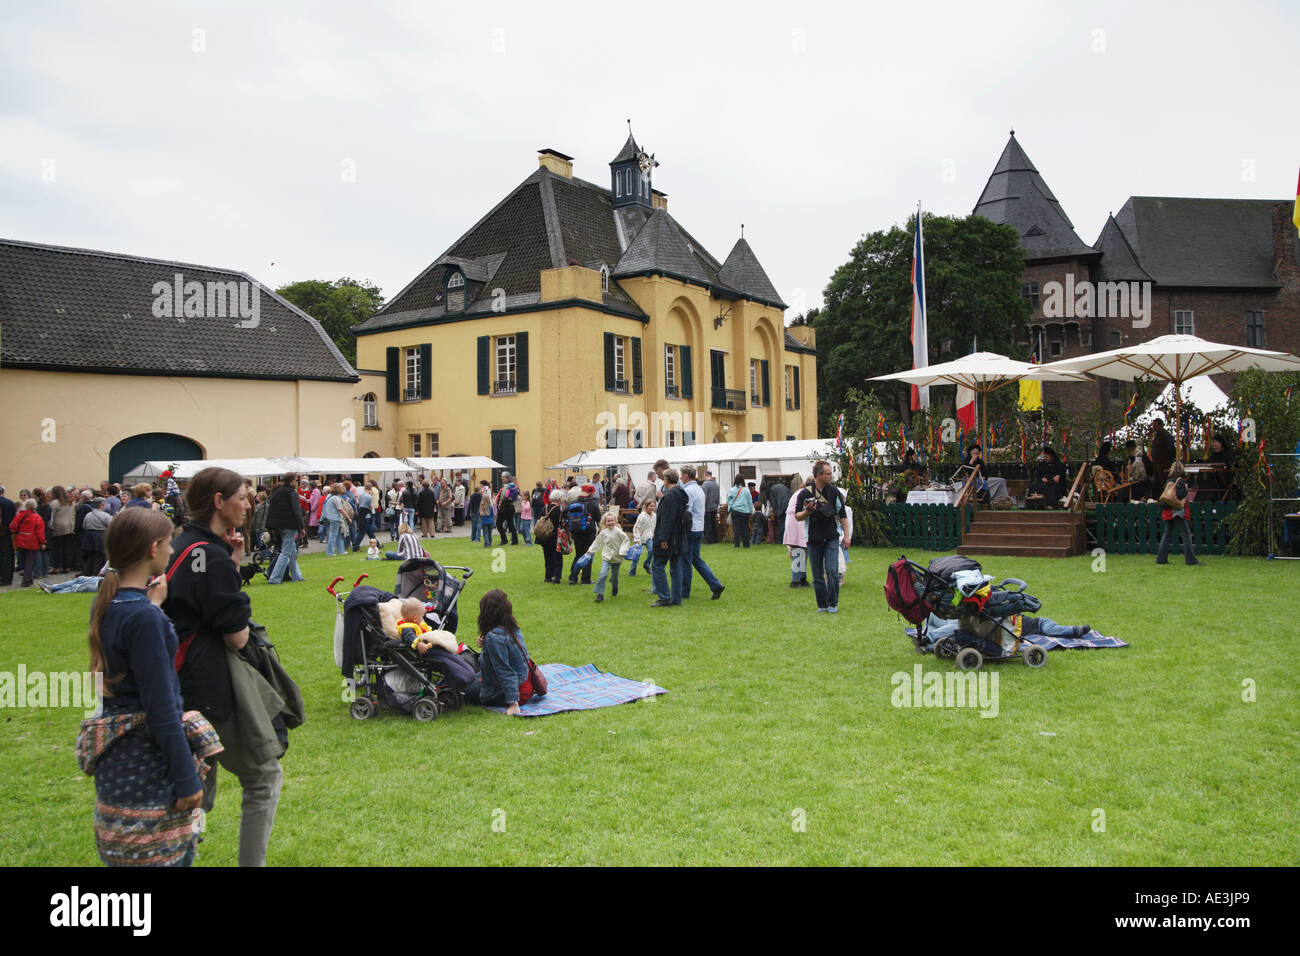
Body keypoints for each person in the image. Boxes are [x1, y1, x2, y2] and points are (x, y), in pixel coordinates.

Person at [77, 507, 221, 866]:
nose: (173, 551)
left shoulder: (109, 603)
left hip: (118, 765)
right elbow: (162, 708)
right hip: (148, 766)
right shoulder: (143, 618)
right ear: (152, 549)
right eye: (169, 544)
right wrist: (188, 780)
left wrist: (153, 604)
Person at [164, 467, 282, 867]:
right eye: (243, 497)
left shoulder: (184, 545)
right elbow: (235, 635)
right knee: (262, 777)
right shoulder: (208, 556)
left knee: (197, 786)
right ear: (219, 501)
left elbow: (195, 602)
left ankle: (180, 854)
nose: (249, 505)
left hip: (177, 683)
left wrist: (231, 561)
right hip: (208, 687)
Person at [464, 590, 534, 716]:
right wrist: (485, 645)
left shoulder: (494, 637)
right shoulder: (511, 627)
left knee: (462, 689)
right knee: (468, 678)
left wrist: (513, 703)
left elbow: (504, 670)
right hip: (525, 683)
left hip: (514, 692)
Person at [794, 461, 850, 613]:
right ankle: (822, 605)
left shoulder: (834, 492)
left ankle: (832, 604)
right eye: (828, 473)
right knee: (818, 575)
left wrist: (847, 536)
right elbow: (798, 516)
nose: (831, 476)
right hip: (813, 538)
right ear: (819, 475)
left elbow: (842, 514)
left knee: (832, 571)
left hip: (831, 537)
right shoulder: (805, 493)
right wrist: (808, 512)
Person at [679, 466, 724, 600]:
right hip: (699, 527)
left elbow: (687, 512)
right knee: (696, 560)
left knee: (686, 561)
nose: (681, 477)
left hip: (690, 529)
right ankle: (715, 584)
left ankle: (684, 592)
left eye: (682, 475)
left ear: (686, 475)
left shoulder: (688, 491)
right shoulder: (699, 489)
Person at [650, 469, 688, 607]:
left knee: (657, 565)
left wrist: (664, 539)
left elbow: (667, 519)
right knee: (676, 567)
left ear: (666, 479)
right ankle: (676, 598)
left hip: (669, 537)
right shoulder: (679, 494)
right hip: (679, 536)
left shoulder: (670, 496)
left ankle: (665, 597)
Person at [1157, 461, 1204, 566]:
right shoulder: (1180, 481)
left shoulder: (1168, 481)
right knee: (1186, 534)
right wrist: (1186, 490)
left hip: (1168, 510)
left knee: (1167, 534)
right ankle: (1190, 560)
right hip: (1177, 510)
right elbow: (1181, 494)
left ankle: (1161, 558)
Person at [266, 474, 306, 584]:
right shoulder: (292, 493)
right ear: (292, 481)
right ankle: (274, 578)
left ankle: (297, 576)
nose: (297, 482)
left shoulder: (277, 492)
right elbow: (297, 511)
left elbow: (271, 510)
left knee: (292, 551)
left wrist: (271, 526)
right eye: (296, 480)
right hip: (289, 525)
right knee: (285, 552)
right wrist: (301, 527)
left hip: (278, 525)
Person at [586, 509, 630, 603]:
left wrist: (622, 551)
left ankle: (615, 587)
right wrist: (590, 551)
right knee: (603, 574)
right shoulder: (603, 533)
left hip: (617, 557)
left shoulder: (619, 532)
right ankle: (600, 594)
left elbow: (626, 541)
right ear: (605, 522)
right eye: (608, 521)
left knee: (614, 576)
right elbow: (597, 542)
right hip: (606, 556)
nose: (610, 522)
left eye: (612, 520)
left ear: (615, 521)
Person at [566, 485, 602, 584]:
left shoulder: (573, 502)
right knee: (588, 554)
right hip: (589, 532)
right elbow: (598, 518)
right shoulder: (593, 503)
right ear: (591, 493)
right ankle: (585, 579)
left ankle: (573, 577)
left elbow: (565, 513)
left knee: (578, 554)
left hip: (576, 531)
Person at [10, 498, 46, 587]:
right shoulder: (37, 517)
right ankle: (26, 580)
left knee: (24, 561)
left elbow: (12, 527)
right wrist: (42, 542)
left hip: (20, 540)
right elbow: (40, 532)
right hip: (32, 541)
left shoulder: (19, 515)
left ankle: (29, 579)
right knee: (29, 562)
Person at [785, 475, 811, 588]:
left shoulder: (800, 492)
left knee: (803, 552)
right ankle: (795, 580)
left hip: (796, 522)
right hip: (797, 523)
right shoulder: (805, 493)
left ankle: (802, 578)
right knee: (799, 552)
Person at [540, 490, 567, 584]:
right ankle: (556, 577)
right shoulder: (558, 510)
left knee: (547, 557)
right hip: (555, 536)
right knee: (557, 557)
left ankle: (548, 576)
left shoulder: (545, 507)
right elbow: (562, 523)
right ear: (559, 499)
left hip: (544, 535)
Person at [50, 485, 78, 573]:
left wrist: (50, 527)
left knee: (57, 548)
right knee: (67, 548)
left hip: (58, 527)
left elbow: (51, 516)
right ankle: (66, 566)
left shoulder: (55, 503)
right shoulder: (69, 502)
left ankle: (56, 566)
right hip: (69, 527)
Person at [82, 497, 112, 576]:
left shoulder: (88, 515)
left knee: (89, 558)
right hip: (100, 537)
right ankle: (96, 574)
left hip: (88, 538)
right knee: (99, 558)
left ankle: (87, 573)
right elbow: (111, 526)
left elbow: (84, 525)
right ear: (102, 505)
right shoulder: (105, 515)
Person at [629, 498, 656, 578]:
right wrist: (637, 539)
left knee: (651, 550)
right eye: (650, 506)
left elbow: (654, 526)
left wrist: (653, 534)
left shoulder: (654, 515)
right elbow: (636, 527)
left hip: (649, 537)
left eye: (653, 506)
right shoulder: (642, 516)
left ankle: (646, 564)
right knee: (636, 556)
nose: (652, 508)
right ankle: (632, 572)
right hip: (640, 538)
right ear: (646, 506)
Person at [725, 475, 754, 548]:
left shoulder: (731, 490)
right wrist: (751, 511)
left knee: (736, 528)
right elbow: (750, 502)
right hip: (745, 511)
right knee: (745, 528)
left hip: (735, 511)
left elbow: (728, 501)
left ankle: (737, 544)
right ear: (743, 481)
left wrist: (729, 509)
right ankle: (746, 544)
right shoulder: (746, 490)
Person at [1151, 419, 1177, 488]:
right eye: (1153, 426)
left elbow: (1172, 450)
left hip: (1164, 465)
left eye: (1155, 426)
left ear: (1160, 426)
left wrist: (1168, 462)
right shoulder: (1156, 436)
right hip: (1157, 465)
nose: (1154, 428)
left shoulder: (1166, 436)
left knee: (1165, 485)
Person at [766, 477, 791, 544]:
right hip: (789, 504)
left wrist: (776, 513)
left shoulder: (772, 490)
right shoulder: (781, 486)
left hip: (783, 506)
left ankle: (780, 540)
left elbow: (774, 503)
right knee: (786, 522)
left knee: (782, 522)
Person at [0, 485, 16, 587]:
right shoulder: (10, 502)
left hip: (1, 531)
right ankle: (8, 577)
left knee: (3, 556)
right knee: (9, 554)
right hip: (9, 531)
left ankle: (4, 578)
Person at [701, 471, 721, 544]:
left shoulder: (705, 484)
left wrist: (702, 507)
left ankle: (709, 540)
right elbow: (718, 496)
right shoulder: (716, 484)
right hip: (714, 507)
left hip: (707, 507)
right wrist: (717, 505)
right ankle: (716, 539)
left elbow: (704, 497)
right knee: (714, 523)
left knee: (707, 524)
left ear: (705, 475)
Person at [477, 482, 495, 547]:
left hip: (484, 522)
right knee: (490, 533)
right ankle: (489, 542)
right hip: (490, 522)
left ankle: (486, 543)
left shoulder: (481, 507)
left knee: (485, 533)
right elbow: (493, 514)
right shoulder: (490, 507)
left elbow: (479, 513)